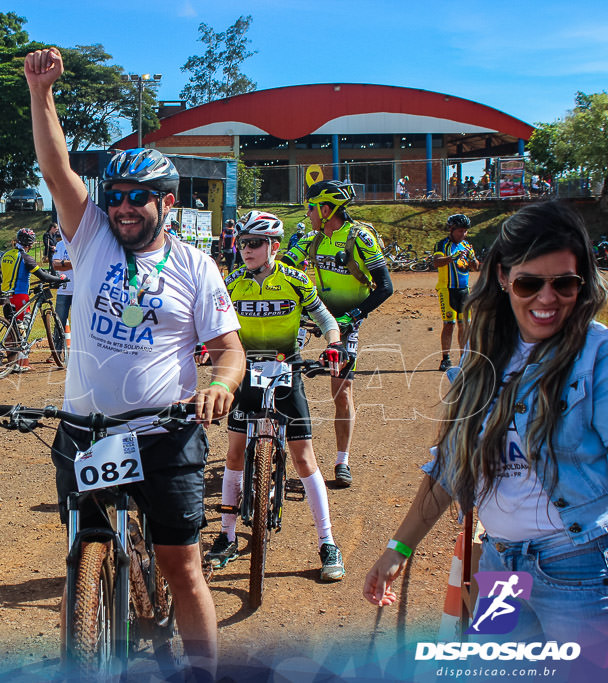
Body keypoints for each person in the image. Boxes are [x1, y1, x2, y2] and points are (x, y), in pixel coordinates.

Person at [26, 46, 245, 680]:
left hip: (165, 435)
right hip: (83, 435)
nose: (123, 206)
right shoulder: (90, 236)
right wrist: (41, 94)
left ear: (166, 203)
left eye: (138, 197)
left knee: (181, 567)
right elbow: (56, 168)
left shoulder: (195, 268)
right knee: (80, 555)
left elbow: (228, 351)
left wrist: (220, 387)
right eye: (115, 194)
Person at [364, 202, 608, 670]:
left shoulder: (596, 357)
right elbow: (452, 464)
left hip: (579, 570)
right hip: (500, 565)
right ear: (502, 276)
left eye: (565, 283)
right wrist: (398, 548)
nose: (548, 298)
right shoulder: (485, 355)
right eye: (529, 283)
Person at [204, 211, 348, 581]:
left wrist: (334, 344)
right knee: (234, 452)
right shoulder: (232, 282)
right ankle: (227, 535)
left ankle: (327, 541)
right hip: (245, 371)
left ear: (275, 247)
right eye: (242, 243)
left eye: (254, 243)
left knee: (303, 457)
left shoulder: (296, 281)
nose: (245, 250)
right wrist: (204, 347)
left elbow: (327, 319)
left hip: (287, 369)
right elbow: (210, 324)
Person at [281, 180, 393, 488]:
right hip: (311, 314)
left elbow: (385, 286)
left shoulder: (361, 238)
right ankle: (272, 440)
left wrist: (353, 316)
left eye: (312, 207)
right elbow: (282, 265)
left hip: (345, 321)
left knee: (341, 392)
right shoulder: (310, 238)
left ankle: (342, 460)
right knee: (277, 368)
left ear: (326, 209)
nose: (308, 212)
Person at [433, 213, 480, 371]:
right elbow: (436, 262)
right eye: (460, 231)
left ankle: (464, 357)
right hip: (447, 289)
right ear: (451, 230)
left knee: (464, 324)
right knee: (449, 324)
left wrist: (473, 260)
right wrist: (451, 258)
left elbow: (476, 267)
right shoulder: (442, 245)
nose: (463, 234)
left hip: (464, 290)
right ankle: (445, 358)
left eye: (465, 231)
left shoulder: (467, 246)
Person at [0, 227, 65, 323]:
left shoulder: (5, 254)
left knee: (11, 327)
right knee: (24, 324)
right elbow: (43, 277)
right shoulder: (26, 258)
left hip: (5, 295)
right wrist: (58, 279)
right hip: (19, 295)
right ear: (30, 243)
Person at [50, 233, 73, 328]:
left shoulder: (83, 244)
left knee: (81, 324)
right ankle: (58, 343)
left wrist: (63, 264)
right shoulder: (60, 244)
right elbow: (55, 265)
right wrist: (74, 263)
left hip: (80, 291)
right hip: (63, 290)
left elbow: (85, 264)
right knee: (59, 325)